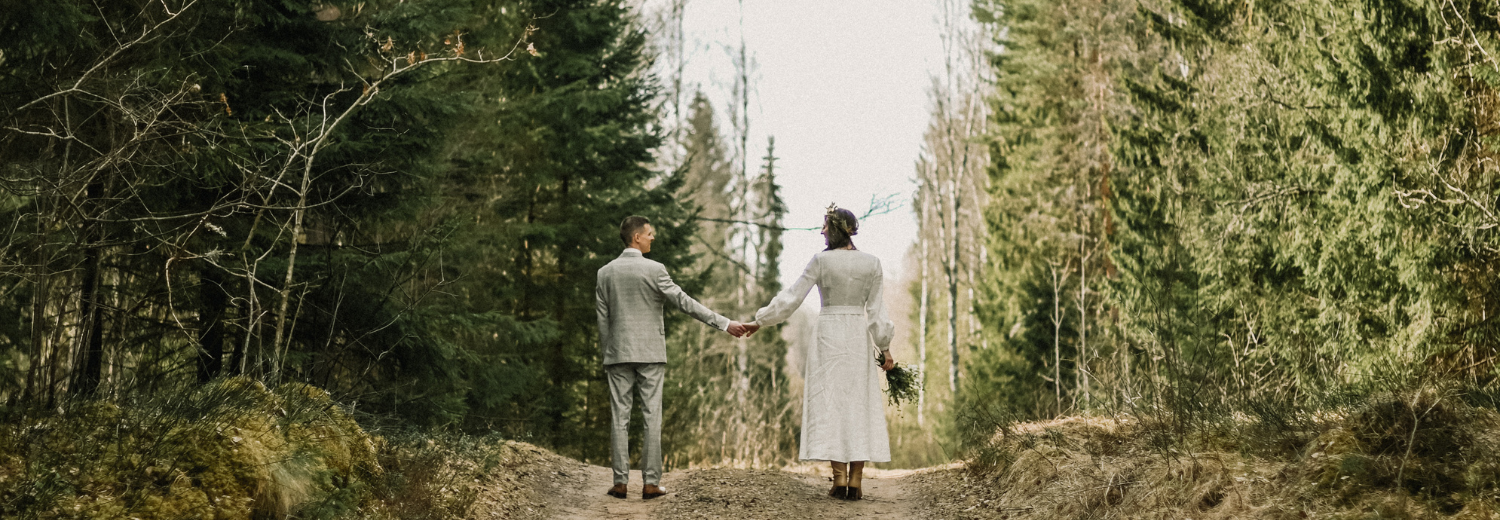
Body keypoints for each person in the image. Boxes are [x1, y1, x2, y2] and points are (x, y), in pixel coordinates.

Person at [745, 204, 895, 500]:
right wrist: (885, 348)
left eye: (825, 226)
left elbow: (791, 297)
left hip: (828, 334)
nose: (822, 231)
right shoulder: (872, 263)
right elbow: (877, 311)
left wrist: (761, 320)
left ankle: (839, 479)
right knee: (858, 402)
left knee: (831, 402)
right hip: (856, 334)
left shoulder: (821, 262)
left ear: (836, 229)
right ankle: (856, 481)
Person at [595, 216, 749, 500]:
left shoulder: (605, 272)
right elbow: (685, 303)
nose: (653, 238)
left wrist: (608, 352)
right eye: (650, 234)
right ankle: (651, 483)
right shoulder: (655, 270)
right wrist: (725, 323)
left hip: (617, 354)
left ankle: (620, 483)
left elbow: (603, 319)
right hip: (651, 353)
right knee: (652, 417)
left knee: (620, 418)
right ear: (637, 237)